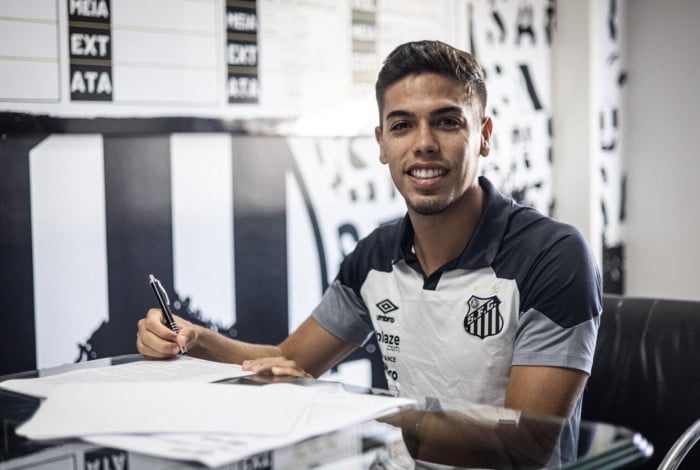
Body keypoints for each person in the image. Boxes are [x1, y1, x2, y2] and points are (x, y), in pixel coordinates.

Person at [137, 40, 601, 465]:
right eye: (402, 125)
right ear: (382, 144)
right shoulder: (374, 256)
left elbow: (525, 445)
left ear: (483, 134)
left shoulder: (553, 256)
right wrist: (193, 339)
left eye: (447, 121)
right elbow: (286, 359)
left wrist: (345, 410)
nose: (424, 143)